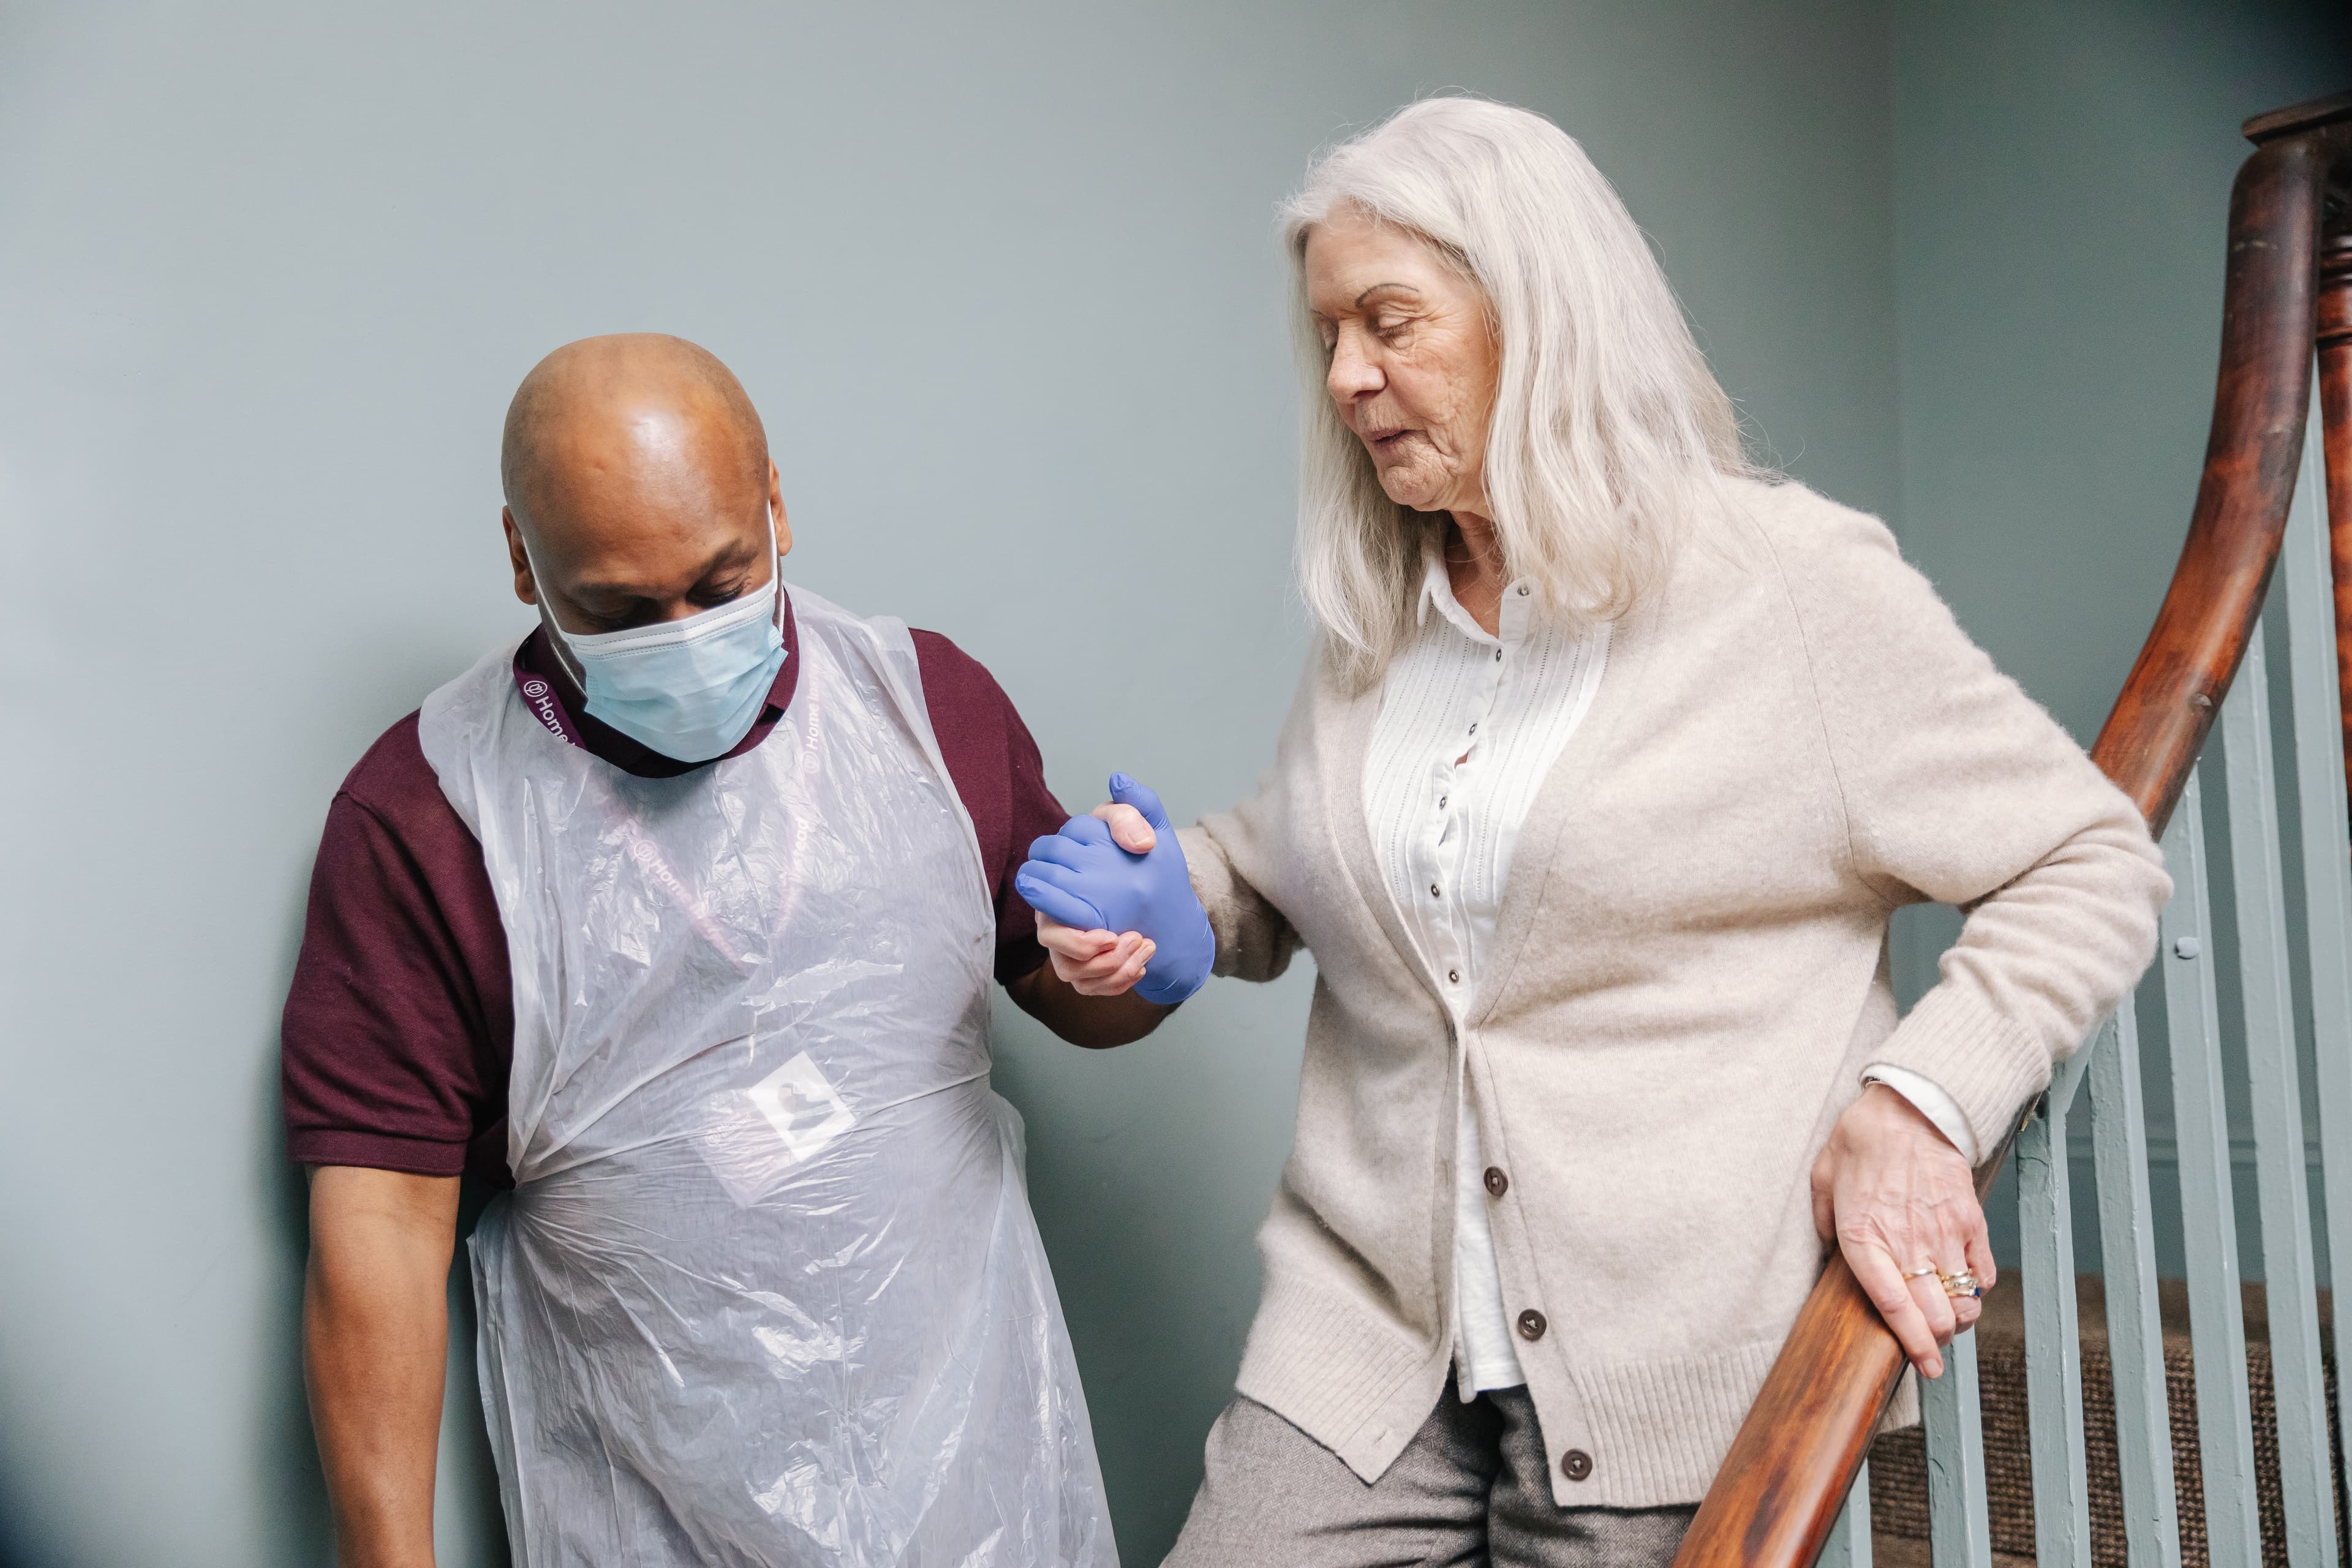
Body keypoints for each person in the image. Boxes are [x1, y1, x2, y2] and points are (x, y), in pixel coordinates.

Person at [1014, 99, 2170, 1568]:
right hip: (1368, 1343)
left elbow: (2086, 853)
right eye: (1329, 336)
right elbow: (1302, 865)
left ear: (1538, 315)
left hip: (1677, 1360)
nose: (1350, 376)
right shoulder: (1386, 627)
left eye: (1391, 322)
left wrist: (1923, 1097)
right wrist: (1175, 889)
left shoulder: (1785, 585)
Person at [281, 333, 1162, 1567]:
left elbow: (1077, 994)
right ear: (523, 559)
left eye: (721, 580)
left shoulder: (925, 711)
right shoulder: (433, 815)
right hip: (652, 1504)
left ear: (778, 507)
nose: (685, 634)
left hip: (981, 1468)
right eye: (621, 610)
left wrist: (1151, 951)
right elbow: (379, 1218)